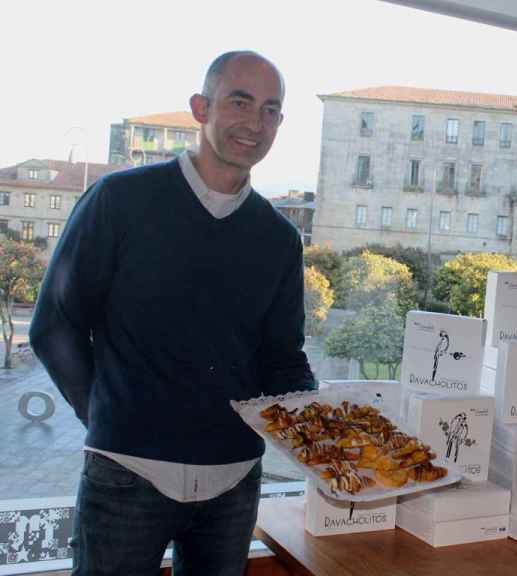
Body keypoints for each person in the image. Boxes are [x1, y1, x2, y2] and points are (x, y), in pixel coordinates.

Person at [29, 51, 315, 576]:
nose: (255, 122)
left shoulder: (278, 238)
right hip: (127, 473)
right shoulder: (119, 199)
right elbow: (54, 326)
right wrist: (107, 419)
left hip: (234, 481)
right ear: (201, 108)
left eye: (271, 109)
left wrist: (329, 429)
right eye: (240, 101)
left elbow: (282, 356)